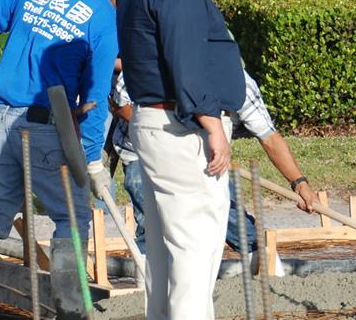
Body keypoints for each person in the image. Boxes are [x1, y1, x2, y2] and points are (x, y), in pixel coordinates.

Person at [0, 0, 141, 320]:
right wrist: (90, 160)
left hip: (0, 118)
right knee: (70, 216)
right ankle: (72, 313)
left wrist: (30, 24)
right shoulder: (104, 20)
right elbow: (93, 100)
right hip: (48, 125)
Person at [117, 0, 246, 320]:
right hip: (179, 124)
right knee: (196, 235)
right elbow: (185, 63)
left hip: (151, 121)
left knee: (169, 238)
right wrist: (212, 124)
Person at [111, 66, 316, 262]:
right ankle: (148, 262)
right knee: (150, 204)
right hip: (144, 148)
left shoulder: (239, 82)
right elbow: (120, 105)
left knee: (223, 205)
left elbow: (269, 137)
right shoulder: (150, 62)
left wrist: (299, 183)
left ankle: (258, 256)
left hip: (202, 150)